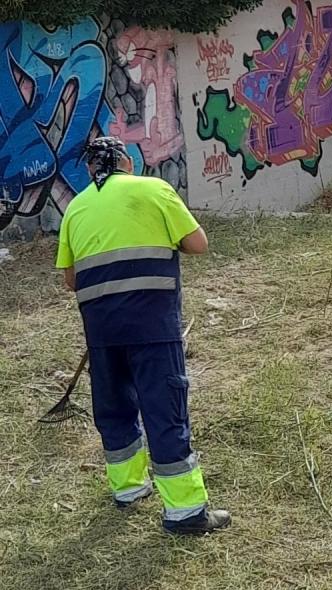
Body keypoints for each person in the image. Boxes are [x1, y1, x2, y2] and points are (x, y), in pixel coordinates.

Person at [55, 136, 230, 535]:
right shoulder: (155, 189)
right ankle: (185, 513)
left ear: (90, 170)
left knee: (114, 410)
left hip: (101, 332)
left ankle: (129, 489)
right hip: (152, 327)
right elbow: (198, 245)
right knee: (163, 410)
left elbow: (70, 280)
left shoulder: (75, 209)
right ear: (127, 162)